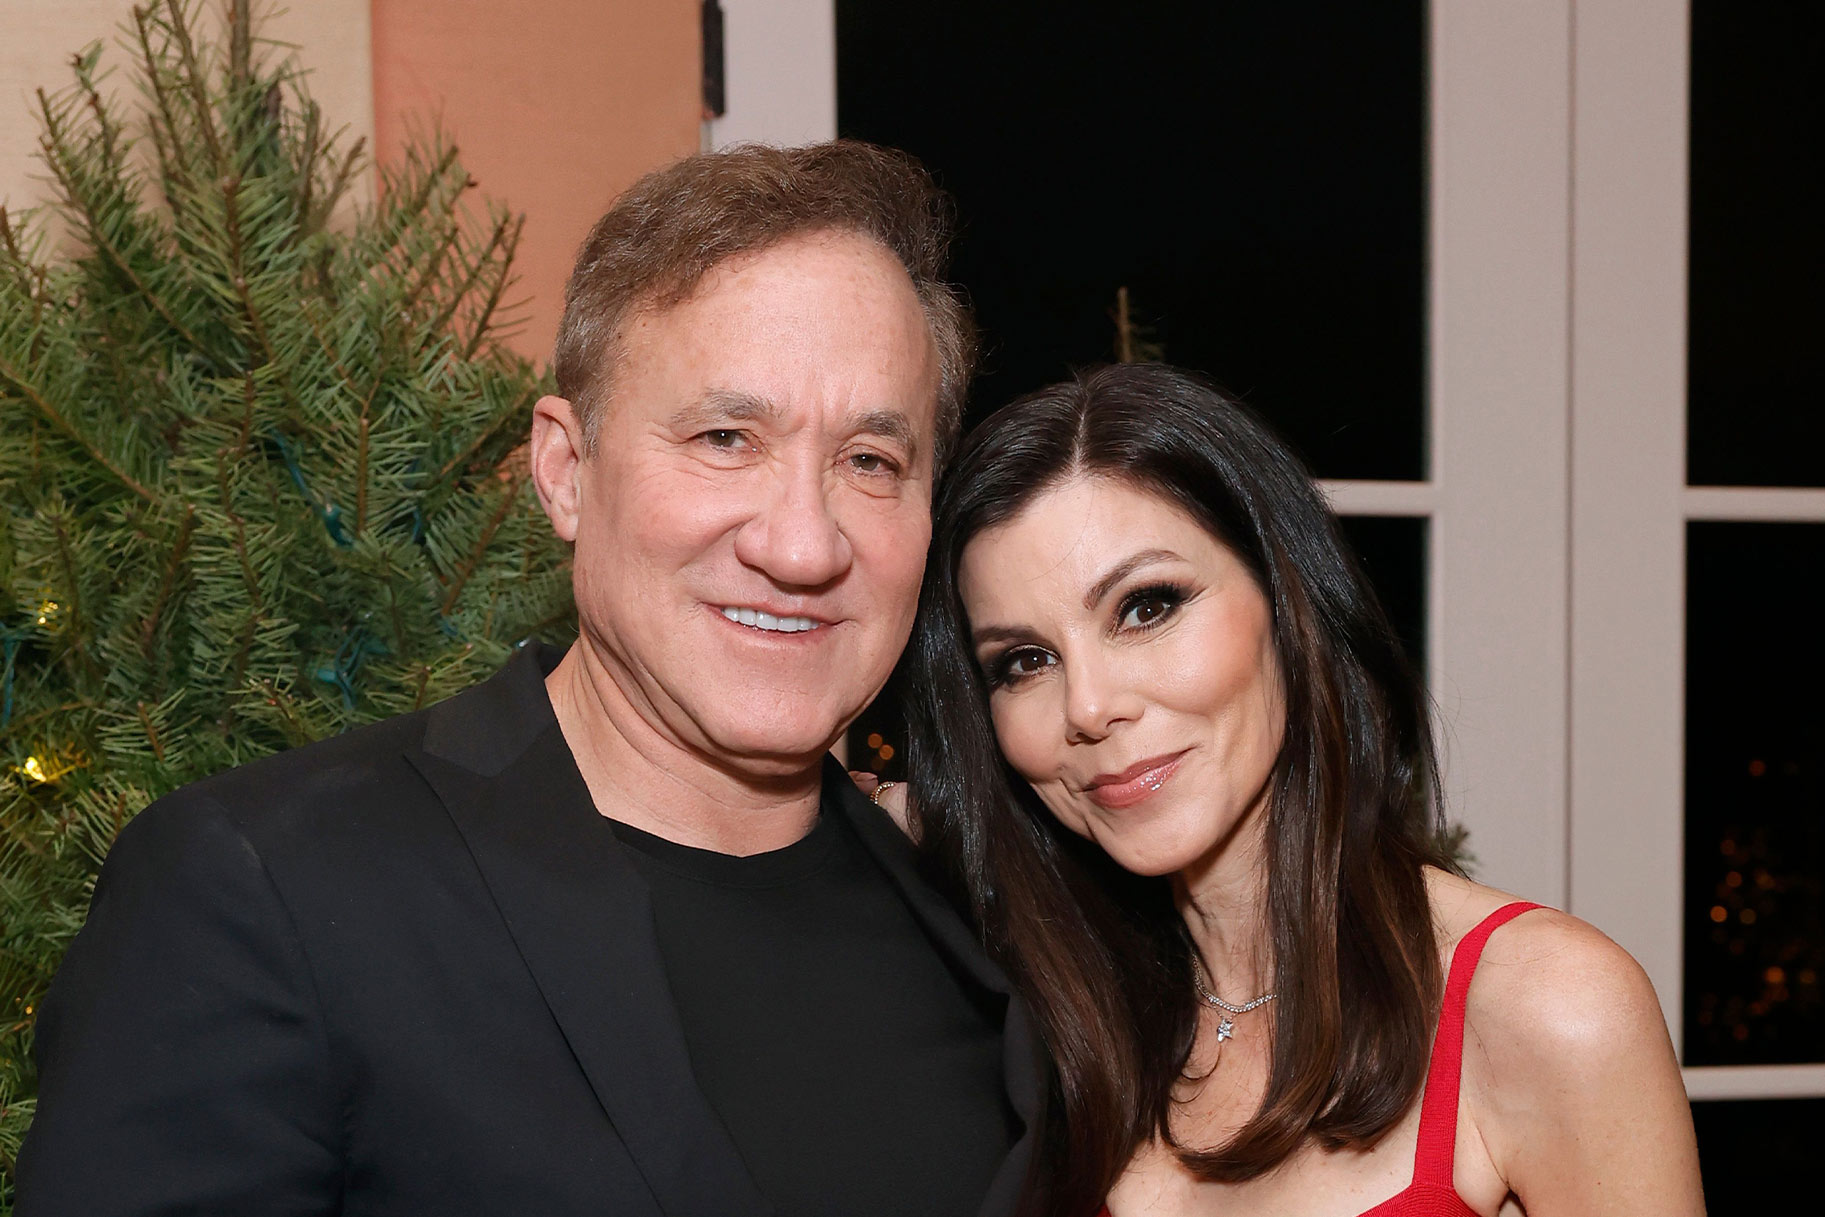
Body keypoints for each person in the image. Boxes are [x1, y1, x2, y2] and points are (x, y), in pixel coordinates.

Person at [16, 142, 1037, 1217]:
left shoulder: (983, 922)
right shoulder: (270, 890)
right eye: (726, 436)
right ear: (564, 470)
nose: (802, 542)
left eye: (870, 460)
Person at [894, 363, 1704, 1217]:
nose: (1088, 706)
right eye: (1024, 660)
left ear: (1288, 603)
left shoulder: (1546, 1006)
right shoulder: (1043, 1024)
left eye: (1145, 606)